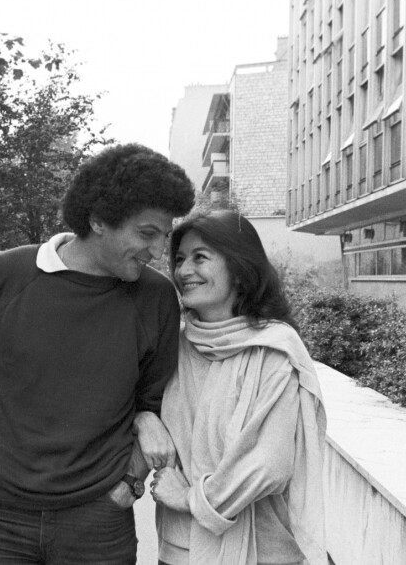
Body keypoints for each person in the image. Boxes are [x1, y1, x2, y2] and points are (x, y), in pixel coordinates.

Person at [0, 142, 195, 564]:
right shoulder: (1, 275)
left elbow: (156, 401)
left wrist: (129, 484)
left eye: (164, 236)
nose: (158, 252)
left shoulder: (155, 298)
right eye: (146, 233)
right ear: (98, 220)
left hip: (99, 520)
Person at [148, 210, 328, 565]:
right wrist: (143, 420)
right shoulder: (173, 347)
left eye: (201, 258)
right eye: (180, 259)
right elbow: (140, 406)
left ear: (240, 269)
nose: (184, 271)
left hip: (262, 551)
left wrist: (189, 499)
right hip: (180, 548)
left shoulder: (275, 348)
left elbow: (269, 463)